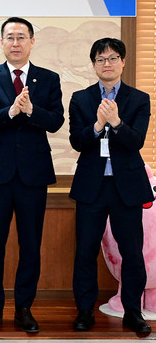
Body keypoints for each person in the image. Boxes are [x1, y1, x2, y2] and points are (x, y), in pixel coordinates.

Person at [0, 17, 64, 332]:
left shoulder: (48, 78)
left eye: (21, 37)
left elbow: (55, 121)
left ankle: (24, 308)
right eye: (10, 37)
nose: (16, 43)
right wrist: (11, 111)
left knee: (30, 245)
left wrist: (31, 111)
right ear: (2, 42)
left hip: (33, 175)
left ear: (32, 42)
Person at [69, 38, 151, 334]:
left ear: (123, 62)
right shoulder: (80, 98)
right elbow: (77, 142)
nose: (107, 63)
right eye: (101, 59)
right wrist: (95, 126)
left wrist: (116, 123)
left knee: (132, 252)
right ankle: (84, 311)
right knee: (85, 251)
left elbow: (136, 141)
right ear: (94, 64)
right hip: (91, 186)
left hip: (126, 186)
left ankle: (133, 312)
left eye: (113, 58)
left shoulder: (139, 99)